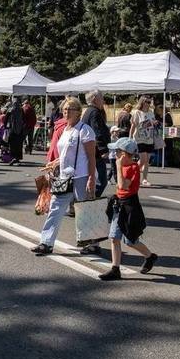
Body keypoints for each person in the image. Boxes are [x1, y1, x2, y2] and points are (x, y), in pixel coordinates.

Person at [31, 97, 96, 255]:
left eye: (71, 109)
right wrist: (55, 162)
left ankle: (92, 244)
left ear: (78, 112)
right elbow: (67, 153)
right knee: (55, 207)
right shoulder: (65, 130)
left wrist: (91, 178)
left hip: (81, 175)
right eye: (65, 109)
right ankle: (46, 243)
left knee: (84, 210)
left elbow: (91, 156)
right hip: (64, 176)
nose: (66, 112)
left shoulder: (84, 130)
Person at [98, 137, 158, 280]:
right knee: (114, 237)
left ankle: (150, 256)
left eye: (117, 152)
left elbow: (123, 185)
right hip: (119, 204)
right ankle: (115, 268)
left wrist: (118, 167)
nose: (115, 155)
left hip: (130, 206)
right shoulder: (124, 165)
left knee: (130, 240)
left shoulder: (133, 168)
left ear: (124, 154)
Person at [78, 90, 111, 256]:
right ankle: (89, 203)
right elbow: (97, 132)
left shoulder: (87, 112)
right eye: (102, 98)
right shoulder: (94, 113)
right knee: (99, 183)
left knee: (96, 186)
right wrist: (104, 149)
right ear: (95, 99)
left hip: (91, 155)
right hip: (96, 155)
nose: (103, 100)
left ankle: (92, 241)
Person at [130, 96, 157, 187]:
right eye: (147, 102)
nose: (149, 104)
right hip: (139, 138)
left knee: (147, 161)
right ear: (142, 102)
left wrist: (154, 123)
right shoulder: (137, 112)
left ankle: (144, 179)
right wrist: (130, 138)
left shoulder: (151, 112)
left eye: (150, 102)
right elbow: (133, 126)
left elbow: (152, 123)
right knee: (143, 159)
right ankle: (132, 174)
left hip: (149, 138)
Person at [5, 97, 24, 165]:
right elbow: (24, 119)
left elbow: (6, 119)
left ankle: (13, 158)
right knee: (19, 145)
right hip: (20, 130)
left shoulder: (10, 110)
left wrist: (5, 127)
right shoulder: (21, 110)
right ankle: (18, 158)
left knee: (12, 144)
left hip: (12, 129)